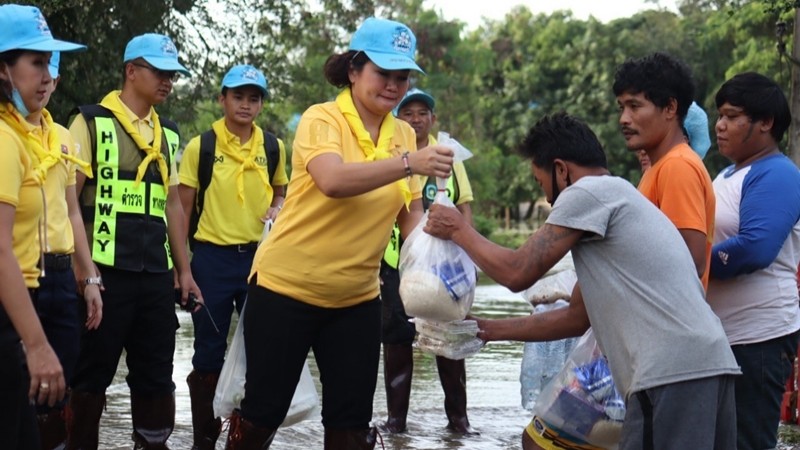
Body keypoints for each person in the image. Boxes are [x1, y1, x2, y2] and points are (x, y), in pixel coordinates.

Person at [426, 113, 741, 450]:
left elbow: (517, 272)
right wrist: (487, 329)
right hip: (707, 364)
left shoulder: (588, 192)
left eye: (540, 182)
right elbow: (577, 317)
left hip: (670, 373)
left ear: (561, 170)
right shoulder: (616, 198)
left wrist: (459, 229)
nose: (547, 198)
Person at [223, 17, 454, 449]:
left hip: (356, 299)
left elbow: (410, 215)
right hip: (286, 289)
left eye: (401, 76)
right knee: (261, 414)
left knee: (351, 423)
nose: (393, 85)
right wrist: (410, 165)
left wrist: (439, 260)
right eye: (382, 73)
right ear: (353, 70)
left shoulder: (404, 132)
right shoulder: (321, 119)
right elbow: (333, 181)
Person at [66, 33, 202, 449]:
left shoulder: (170, 133)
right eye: (159, 72)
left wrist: (185, 272)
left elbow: (174, 208)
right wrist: (85, 274)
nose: (168, 82)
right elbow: (67, 203)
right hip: (104, 276)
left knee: (158, 379)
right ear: (131, 71)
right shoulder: (89, 121)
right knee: (90, 376)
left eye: (172, 75)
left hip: (155, 278)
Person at [178, 64, 288, 450]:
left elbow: (281, 192)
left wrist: (278, 208)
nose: (245, 104)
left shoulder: (273, 147)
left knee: (263, 350)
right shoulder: (201, 146)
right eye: (238, 96)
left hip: (260, 262)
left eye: (253, 98)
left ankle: (245, 440)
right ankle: (203, 441)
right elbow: (181, 209)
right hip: (211, 260)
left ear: (261, 105)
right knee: (208, 351)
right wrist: (183, 268)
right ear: (222, 98)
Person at [0, 4, 86, 449]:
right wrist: (35, 345)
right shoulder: (4, 140)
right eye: (36, 62)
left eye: (50, 63)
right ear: (3, 69)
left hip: (32, 290)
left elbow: (70, 211)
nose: (48, 75)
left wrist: (86, 276)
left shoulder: (30, 137)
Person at [706, 72, 800, 450]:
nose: (721, 125)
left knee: (747, 442)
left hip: (758, 339)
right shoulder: (727, 174)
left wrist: (684, 264)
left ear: (765, 123)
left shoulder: (778, 174)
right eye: (720, 115)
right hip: (722, 338)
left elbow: (755, 248)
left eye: (732, 116)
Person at [379, 87, 476, 434]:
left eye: (423, 113)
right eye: (409, 113)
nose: (416, 119)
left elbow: (464, 206)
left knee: (449, 337)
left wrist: (470, 255)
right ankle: (396, 422)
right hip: (397, 262)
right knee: (397, 340)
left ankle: (459, 422)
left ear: (433, 119)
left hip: (444, 267)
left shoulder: (447, 154)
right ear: (398, 118)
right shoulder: (393, 155)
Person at [33, 51, 104, 449]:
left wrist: (88, 275)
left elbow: (71, 210)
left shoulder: (62, 136)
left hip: (61, 274)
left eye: (52, 76)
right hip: (19, 272)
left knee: (59, 383)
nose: (45, 83)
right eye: (37, 71)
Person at [614, 52, 715, 290]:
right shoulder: (659, 167)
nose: (623, 119)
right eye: (622, 107)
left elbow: (690, 261)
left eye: (634, 106)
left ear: (670, 108)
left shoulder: (677, 166)